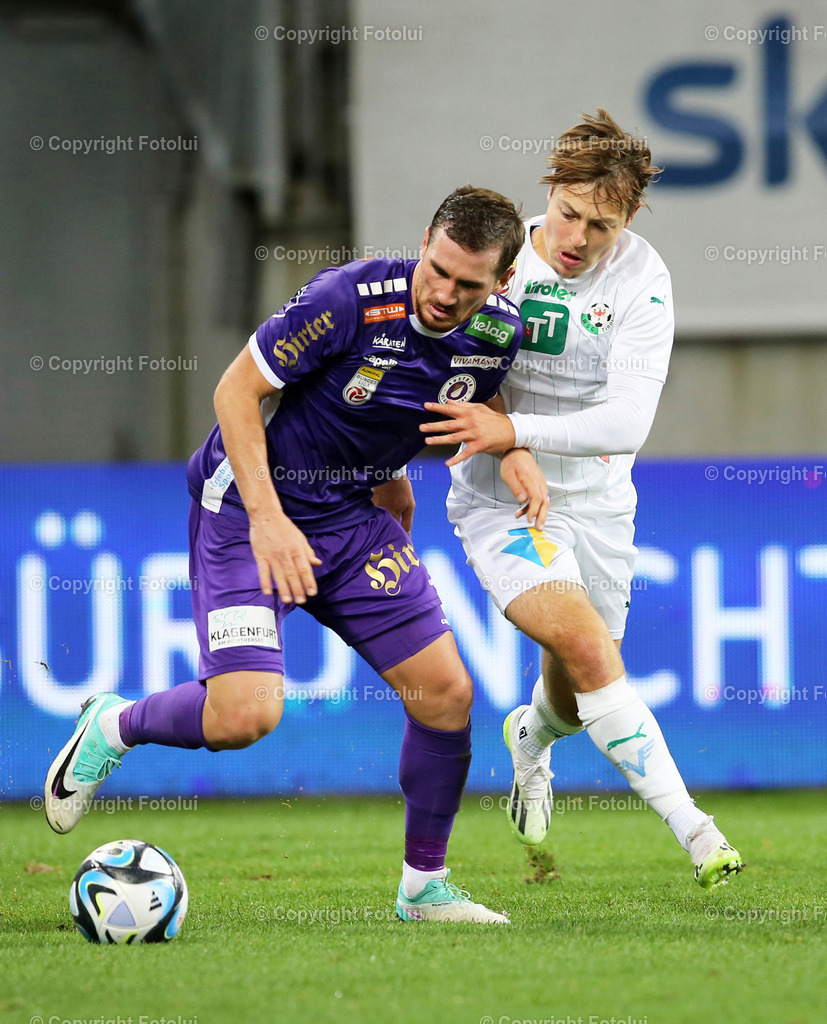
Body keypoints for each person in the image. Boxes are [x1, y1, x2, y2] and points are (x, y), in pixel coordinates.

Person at [44, 185, 547, 923]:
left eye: (467, 283)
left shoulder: (499, 332)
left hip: (352, 517)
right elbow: (235, 392)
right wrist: (270, 522)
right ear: (425, 241)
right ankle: (113, 724)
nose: (443, 293)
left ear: (502, 283)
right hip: (249, 511)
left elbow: (456, 394)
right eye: (435, 269)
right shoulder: (343, 299)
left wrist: (509, 451)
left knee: (445, 695)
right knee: (244, 717)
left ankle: (423, 889)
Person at [420, 112, 744, 890]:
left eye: (599, 224)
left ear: (626, 219)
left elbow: (629, 422)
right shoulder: (497, 259)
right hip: (501, 501)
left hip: (598, 499)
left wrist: (514, 427)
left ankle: (531, 737)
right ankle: (697, 832)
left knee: (573, 690)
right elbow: (448, 370)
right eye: (566, 213)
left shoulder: (641, 278)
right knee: (593, 652)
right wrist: (507, 444)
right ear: (548, 192)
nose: (576, 237)